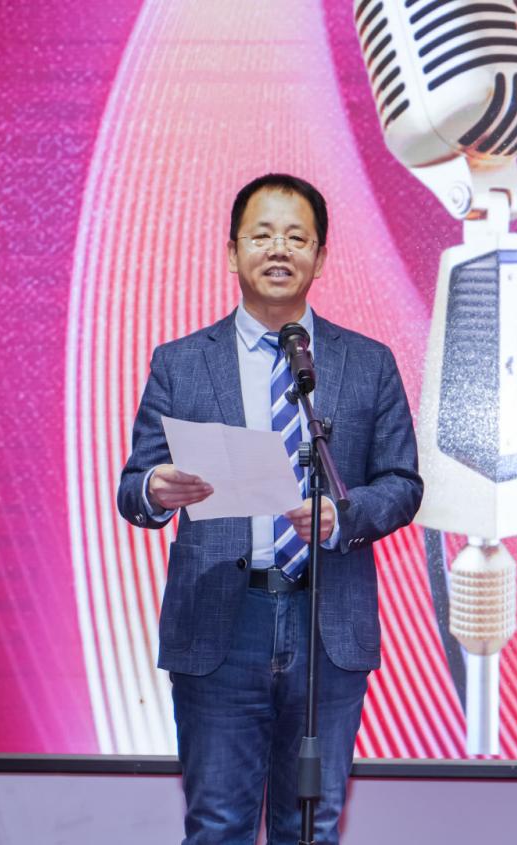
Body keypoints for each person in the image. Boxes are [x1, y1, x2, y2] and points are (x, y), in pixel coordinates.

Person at [116, 173, 422, 844]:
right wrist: (156, 490)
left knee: (310, 827)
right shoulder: (180, 363)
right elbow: (133, 485)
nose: (278, 249)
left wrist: (342, 516)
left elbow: (403, 483)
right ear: (232, 252)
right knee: (217, 824)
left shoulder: (367, 363)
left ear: (320, 255)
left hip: (325, 621)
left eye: (295, 237)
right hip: (222, 625)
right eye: (261, 235)